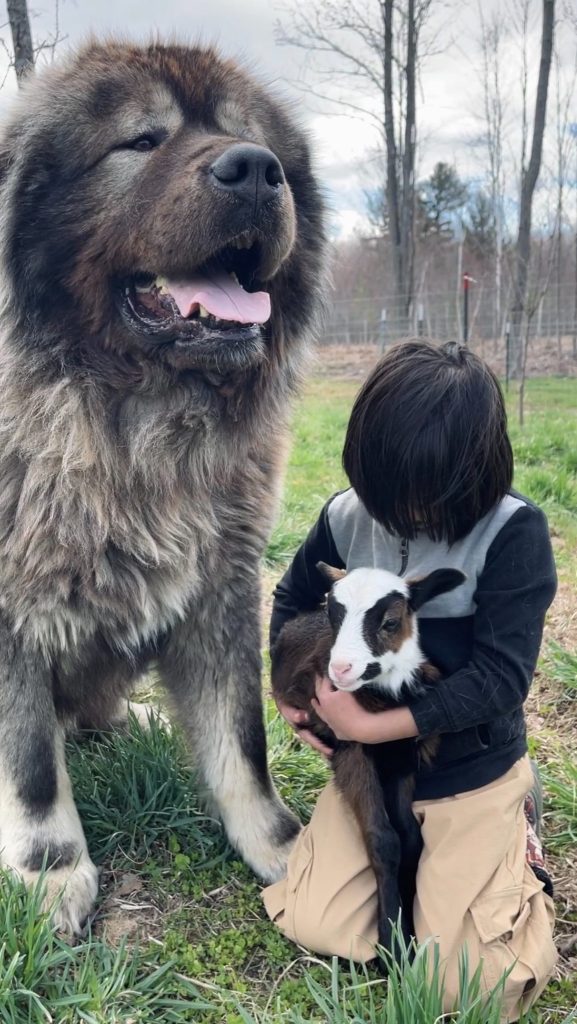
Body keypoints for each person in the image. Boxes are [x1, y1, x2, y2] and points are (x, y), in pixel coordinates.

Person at [262, 341, 557, 1023]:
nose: (405, 513)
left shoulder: (512, 534)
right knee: (321, 925)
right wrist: (291, 699)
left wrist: (369, 724)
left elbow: (498, 680)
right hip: (367, 767)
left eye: (428, 496)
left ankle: (514, 832)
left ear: (474, 473)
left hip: (467, 765)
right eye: (387, 490)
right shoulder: (345, 517)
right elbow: (289, 600)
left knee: (467, 987)